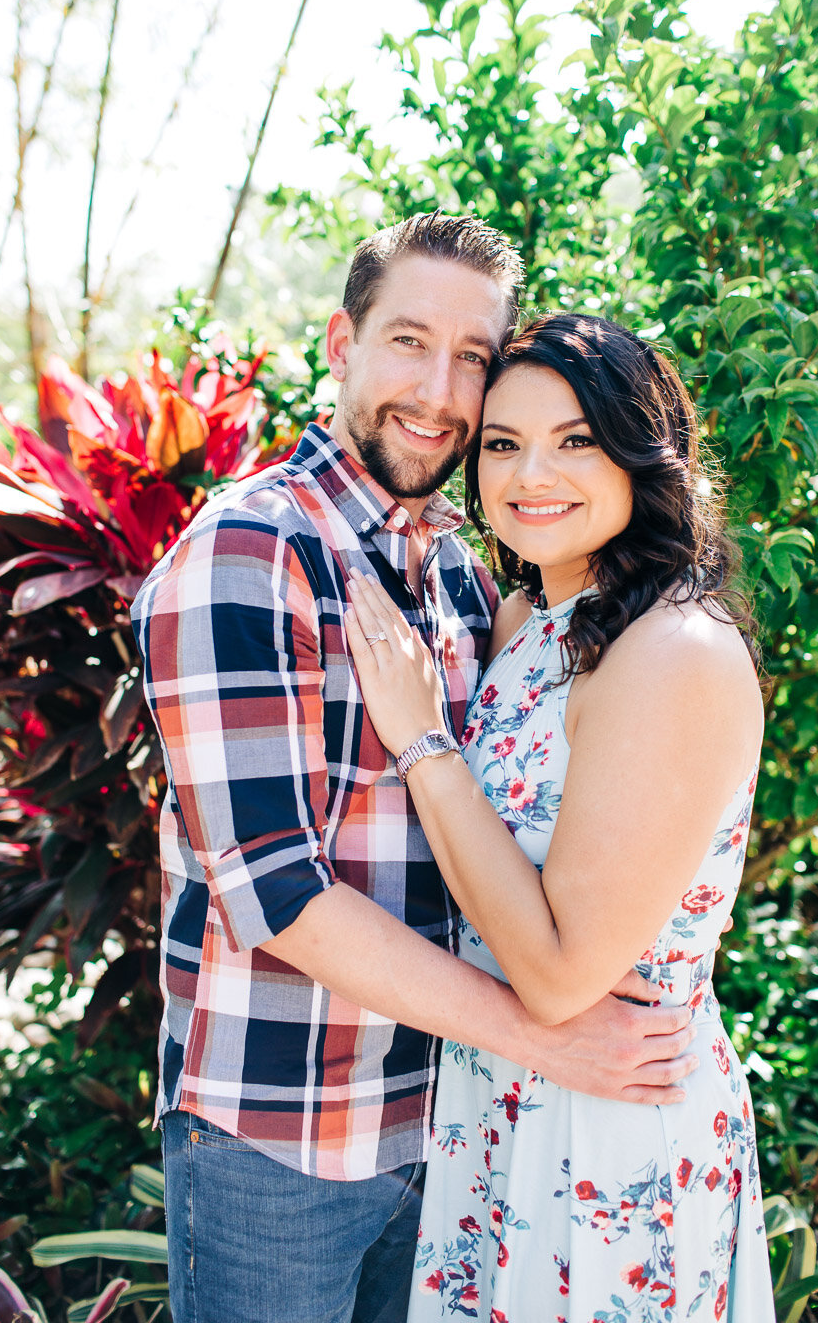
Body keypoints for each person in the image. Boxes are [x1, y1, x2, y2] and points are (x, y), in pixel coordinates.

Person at [130, 215, 701, 1323]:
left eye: (474, 357)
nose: (440, 391)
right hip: (282, 1141)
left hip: (450, 1122)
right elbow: (278, 895)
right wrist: (550, 1033)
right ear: (341, 344)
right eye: (407, 341)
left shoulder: (464, 572)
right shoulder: (250, 553)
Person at [343, 312, 776, 1321]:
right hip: (500, 1108)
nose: (532, 471)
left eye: (575, 439)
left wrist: (422, 739)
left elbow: (559, 969)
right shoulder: (531, 619)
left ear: (643, 451)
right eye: (503, 442)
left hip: (610, 1132)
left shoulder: (677, 653)